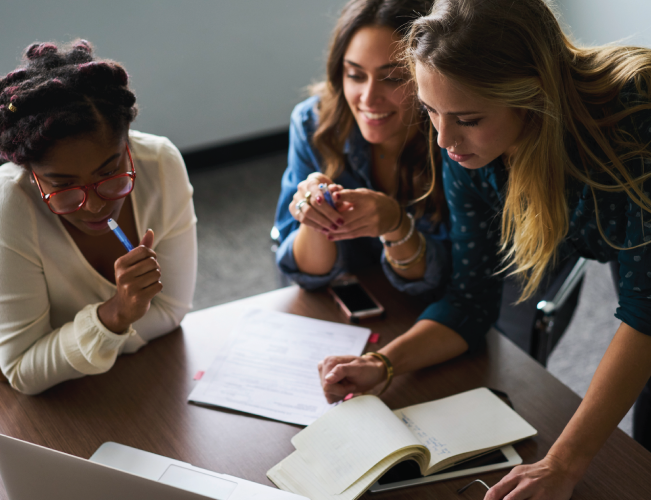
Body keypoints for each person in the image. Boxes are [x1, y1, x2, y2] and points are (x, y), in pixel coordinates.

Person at [318, 0, 651, 498]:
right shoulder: (466, 148)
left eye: (467, 119)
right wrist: (384, 363)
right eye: (430, 111)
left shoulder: (634, 119)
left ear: (533, 96)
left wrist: (561, 464)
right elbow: (470, 302)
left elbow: (645, 312)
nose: (444, 139)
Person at [0, 40, 197, 395]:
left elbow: (170, 312)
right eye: (63, 185)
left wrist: (51, 358)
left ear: (127, 146)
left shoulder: (160, 164)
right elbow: (24, 372)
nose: (93, 205)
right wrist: (116, 316)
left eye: (110, 173)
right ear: (31, 172)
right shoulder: (4, 204)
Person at [273, 0, 449, 299]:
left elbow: (444, 279)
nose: (368, 97)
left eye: (392, 78)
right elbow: (306, 274)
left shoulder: (452, 138)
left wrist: (395, 224)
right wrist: (316, 214)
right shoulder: (313, 124)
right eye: (355, 75)